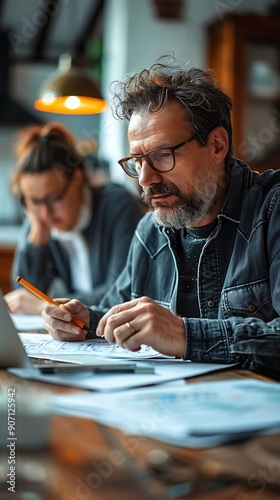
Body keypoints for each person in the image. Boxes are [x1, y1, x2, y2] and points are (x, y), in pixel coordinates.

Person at [42, 56, 280, 380]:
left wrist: (184, 335)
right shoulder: (150, 230)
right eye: (138, 161)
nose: (145, 179)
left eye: (162, 155)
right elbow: (118, 308)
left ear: (217, 145)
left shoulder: (272, 211)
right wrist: (87, 322)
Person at [4, 122, 143, 314]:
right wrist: (38, 230)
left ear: (77, 177)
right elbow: (24, 293)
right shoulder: (40, 218)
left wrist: (47, 306)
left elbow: (121, 292)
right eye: (34, 201)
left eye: (54, 199)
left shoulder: (117, 205)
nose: (45, 212)